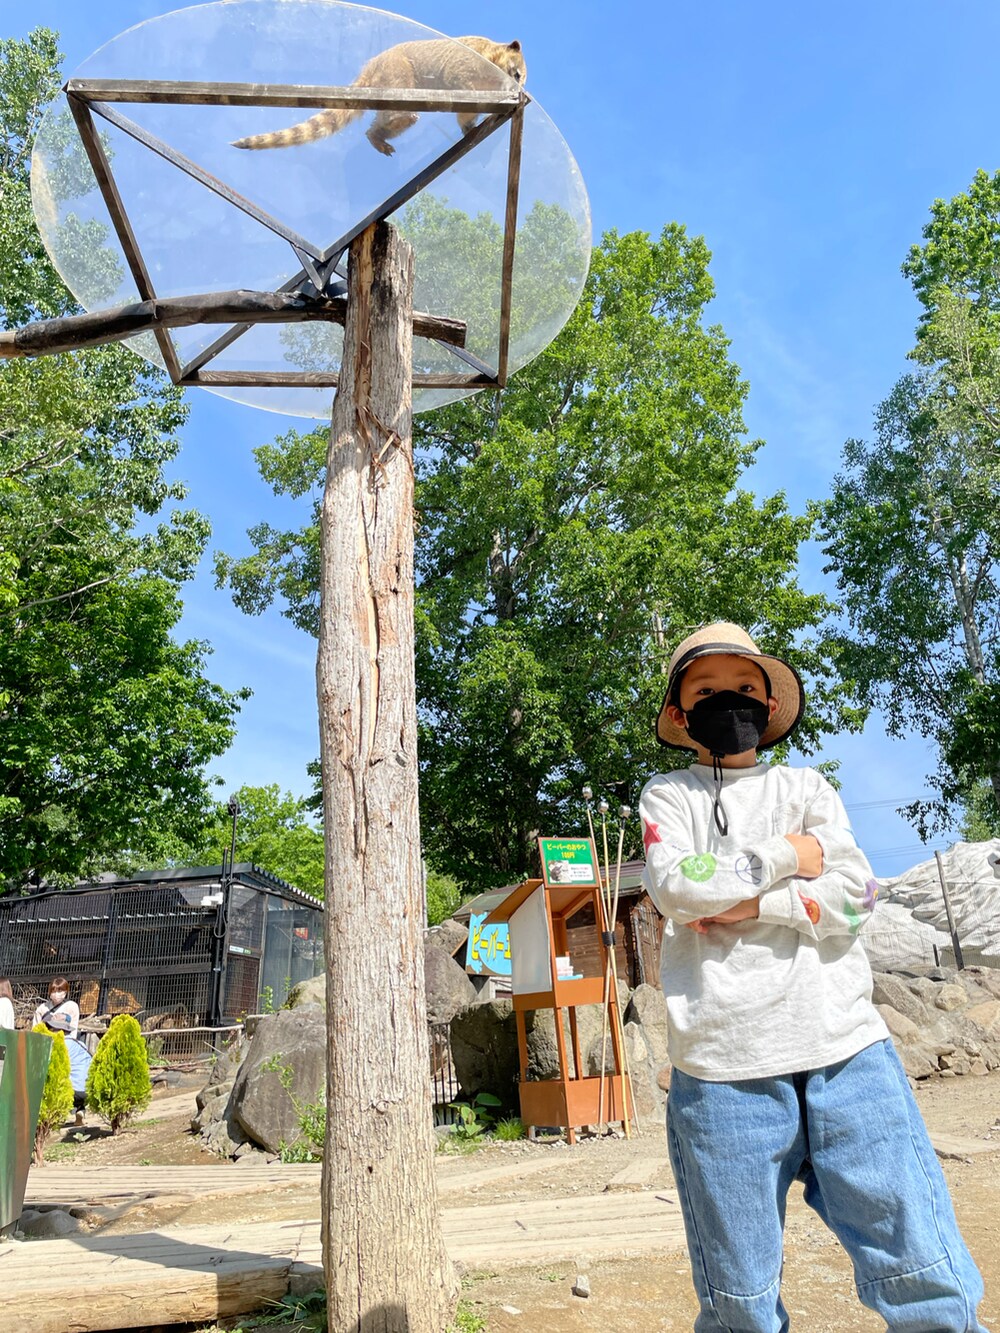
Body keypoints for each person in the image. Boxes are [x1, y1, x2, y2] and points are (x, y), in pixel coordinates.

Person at [640, 622, 987, 1333]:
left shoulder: (806, 787)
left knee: (922, 1267)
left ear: (769, 704)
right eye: (705, 691)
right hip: (722, 1069)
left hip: (846, 1051)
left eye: (744, 686)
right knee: (740, 1300)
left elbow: (856, 896)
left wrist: (748, 903)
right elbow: (677, 888)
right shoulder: (668, 796)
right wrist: (788, 857)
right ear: (679, 711)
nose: (727, 699)